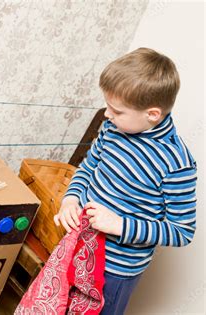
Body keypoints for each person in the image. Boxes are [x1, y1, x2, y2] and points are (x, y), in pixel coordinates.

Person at [54, 47, 197, 314]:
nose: (107, 115)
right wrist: (70, 200)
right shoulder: (112, 128)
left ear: (152, 114)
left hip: (114, 271)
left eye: (116, 110)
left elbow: (182, 231)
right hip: (78, 245)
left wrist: (119, 225)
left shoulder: (176, 163)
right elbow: (87, 168)